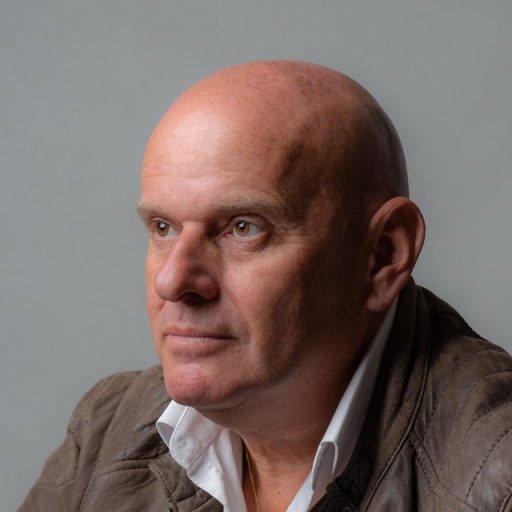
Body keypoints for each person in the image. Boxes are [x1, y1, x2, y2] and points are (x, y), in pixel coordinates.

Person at [19, 61, 512, 512]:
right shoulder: (107, 431)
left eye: (242, 228)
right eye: (163, 228)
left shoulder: (498, 477)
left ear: (382, 256)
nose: (172, 281)